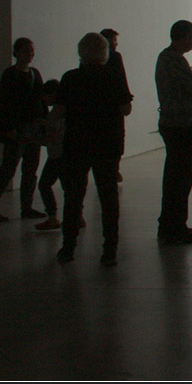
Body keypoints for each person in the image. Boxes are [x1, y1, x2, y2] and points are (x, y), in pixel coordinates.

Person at [53, 32, 133, 266]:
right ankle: (109, 249)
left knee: (74, 196)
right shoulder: (113, 76)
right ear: (105, 52)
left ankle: (68, 247)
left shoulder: (70, 78)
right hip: (108, 143)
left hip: (77, 143)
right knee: (108, 197)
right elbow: (126, 108)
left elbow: (58, 112)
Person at [0, 38, 48, 221]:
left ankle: (22, 207)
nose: (30, 54)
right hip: (20, 128)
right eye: (26, 51)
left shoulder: (30, 73)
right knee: (10, 169)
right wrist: (10, 128)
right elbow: (7, 103)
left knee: (25, 169)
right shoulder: (14, 74)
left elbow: (38, 100)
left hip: (31, 127)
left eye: (31, 51)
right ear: (17, 52)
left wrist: (43, 122)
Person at [155, 19, 192, 244]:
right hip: (179, 126)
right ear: (183, 37)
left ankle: (170, 225)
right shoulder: (175, 60)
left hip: (172, 124)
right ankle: (175, 227)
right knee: (181, 179)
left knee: (175, 178)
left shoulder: (166, 58)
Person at [101, 28, 133, 183]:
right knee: (116, 141)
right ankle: (113, 170)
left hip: (101, 110)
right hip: (114, 109)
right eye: (114, 40)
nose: (116, 43)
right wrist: (126, 101)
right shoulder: (114, 57)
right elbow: (121, 80)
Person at [33, 80, 65, 231]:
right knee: (70, 187)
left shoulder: (54, 113)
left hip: (56, 156)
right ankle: (78, 216)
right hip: (66, 154)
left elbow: (51, 137)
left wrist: (34, 139)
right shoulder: (65, 109)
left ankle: (52, 217)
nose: (43, 99)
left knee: (44, 184)